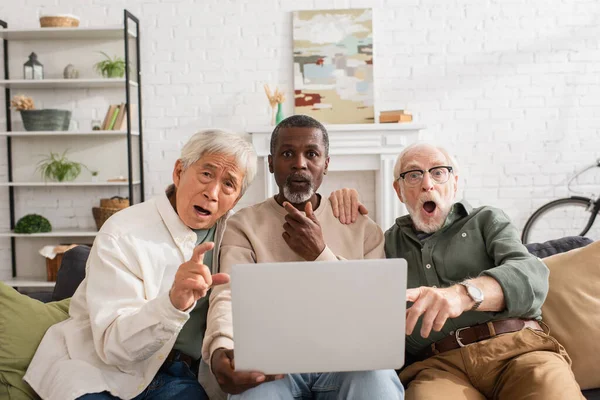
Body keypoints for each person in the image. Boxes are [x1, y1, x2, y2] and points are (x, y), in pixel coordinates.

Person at [329, 142, 584, 400]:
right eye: (414, 175)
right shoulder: (387, 244)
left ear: (454, 182)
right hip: (438, 367)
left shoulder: (486, 220)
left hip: (518, 349)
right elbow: (357, 297)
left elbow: (531, 276)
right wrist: (339, 203)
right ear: (399, 190)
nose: (427, 184)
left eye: (438, 172)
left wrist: (462, 295)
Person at [24, 130, 257, 400]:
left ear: (236, 199)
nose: (212, 193)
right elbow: (113, 347)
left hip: (180, 377)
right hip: (99, 370)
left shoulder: (235, 238)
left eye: (228, 184)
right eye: (206, 174)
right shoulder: (123, 231)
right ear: (179, 172)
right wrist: (172, 303)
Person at [202, 115, 405, 399]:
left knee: (378, 382)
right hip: (273, 362)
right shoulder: (243, 226)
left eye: (311, 154)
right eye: (287, 154)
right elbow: (227, 295)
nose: (299, 163)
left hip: (349, 362)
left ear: (326, 163)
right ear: (271, 163)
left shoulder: (361, 227)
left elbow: (374, 307)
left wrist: (320, 254)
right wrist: (220, 347)